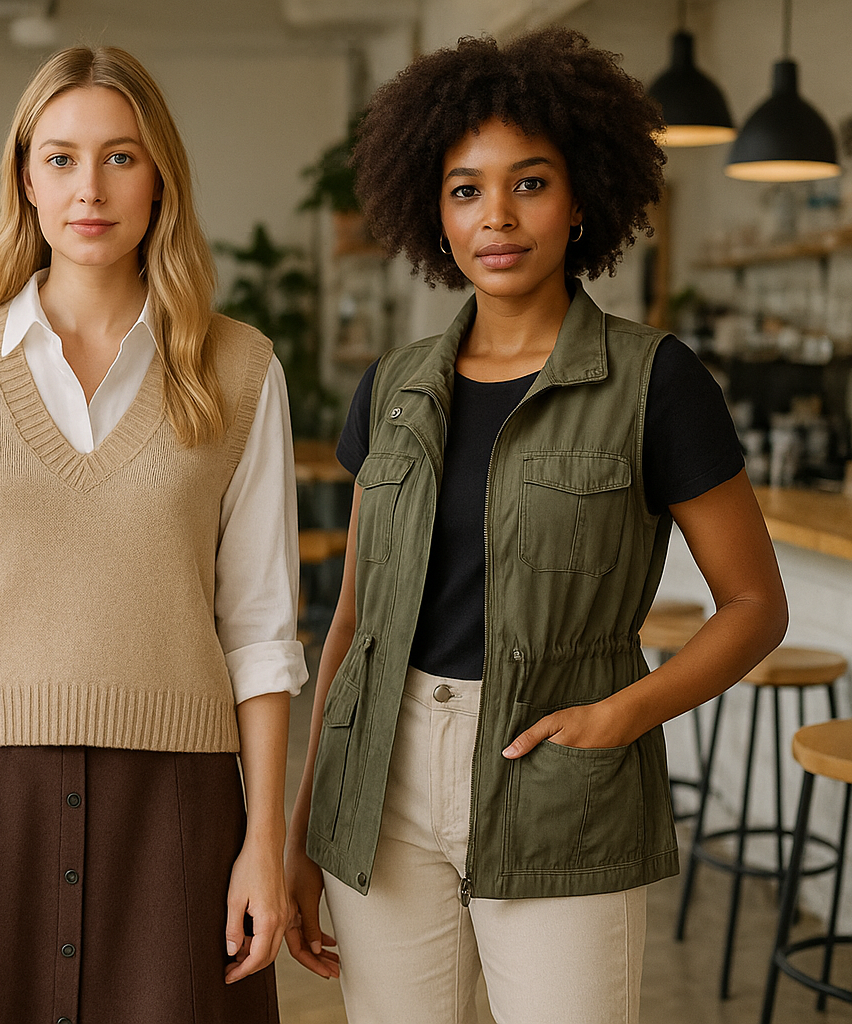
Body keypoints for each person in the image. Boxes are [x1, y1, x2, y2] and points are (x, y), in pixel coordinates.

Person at [283, 28, 788, 1024]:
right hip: (380, 781)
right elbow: (353, 624)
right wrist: (305, 829)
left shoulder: (656, 381)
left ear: (582, 197)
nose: (498, 217)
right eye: (465, 190)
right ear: (434, 213)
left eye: (530, 182)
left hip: (560, 777)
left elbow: (754, 605)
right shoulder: (391, 389)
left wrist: (622, 716)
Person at [0, 45, 304, 1024]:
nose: (89, 189)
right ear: (26, 179)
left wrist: (262, 844)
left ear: (160, 179)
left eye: (120, 157)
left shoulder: (240, 369)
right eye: (60, 158)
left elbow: (261, 633)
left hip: (177, 800)